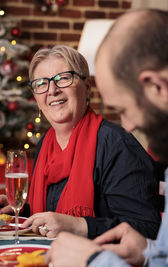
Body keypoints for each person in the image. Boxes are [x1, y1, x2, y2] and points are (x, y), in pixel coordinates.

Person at [0, 45, 161, 239]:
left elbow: (147, 228)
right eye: (41, 83)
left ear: (87, 88)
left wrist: (79, 225)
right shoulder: (46, 144)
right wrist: (18, 213)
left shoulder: (115, 144)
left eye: (63, 78)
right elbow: (54, 215)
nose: (52, 90)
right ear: (36, 97)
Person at [47, 9, 168, 267]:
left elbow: (145, 222)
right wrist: (148, 252)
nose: (128, 125)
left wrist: (93, 260)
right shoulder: (45, 144)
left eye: (123, 109)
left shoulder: (115, 142)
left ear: (157, 86)